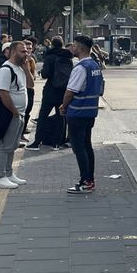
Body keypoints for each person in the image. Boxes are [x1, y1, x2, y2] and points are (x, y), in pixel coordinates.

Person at [60, 35, 104, 194]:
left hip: (77, 111)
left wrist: (63, 106)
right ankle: (90, 180)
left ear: (80, 48)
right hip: (90, 112)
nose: (72, 48)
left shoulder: (80, 68)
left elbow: (70, 91)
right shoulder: (94, 65)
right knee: (87, 146)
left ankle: (85, 182)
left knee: (79, 148)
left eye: (74, 45)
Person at [0, 41, 31, 189]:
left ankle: (8, 173)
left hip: (20, 114)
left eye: (26, 51)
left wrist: (26, 69)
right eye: (23, 51)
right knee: (5, 145)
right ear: (13, 51)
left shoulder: (19, 68)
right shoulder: (6, 70)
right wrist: (14, 111)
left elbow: (30, 84)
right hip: (10, 114)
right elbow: (3, 93)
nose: (26, 54)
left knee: (13, 145)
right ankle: (0, 176)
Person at [27, 37, 73, 150]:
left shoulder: (50, 56)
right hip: (63, 90)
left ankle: (37, 142)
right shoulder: (68, 57)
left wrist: (43, 72)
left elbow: (45, 74)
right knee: (60, 117)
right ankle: (56, 143)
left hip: (50, 90)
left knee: (42, 116)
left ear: (52, 45)